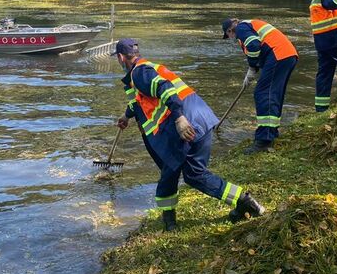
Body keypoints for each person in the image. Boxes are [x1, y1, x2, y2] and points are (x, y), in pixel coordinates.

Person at [114, 39, 265, 231]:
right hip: (202, 119)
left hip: (185, 126)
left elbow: (164, 89)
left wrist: (179, 119)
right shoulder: (149, 67)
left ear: (120, 57)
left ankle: (170, 224)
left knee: (169, 172)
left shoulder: (139, 73)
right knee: (195, 175)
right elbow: (141, 99)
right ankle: (245, 200)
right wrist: (127, 116)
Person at [221, 18, 298, 153]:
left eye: (228, 36)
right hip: (287, 55)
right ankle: (271, 133)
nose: (231, 38)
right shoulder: (249, 26)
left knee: (263, 93)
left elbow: (254, 45)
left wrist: (251, 68)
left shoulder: (241, 28)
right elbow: (258, 52)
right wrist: (251, 72)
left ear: (229, 31)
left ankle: (264, 140)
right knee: (273, 94)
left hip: (278, 54)